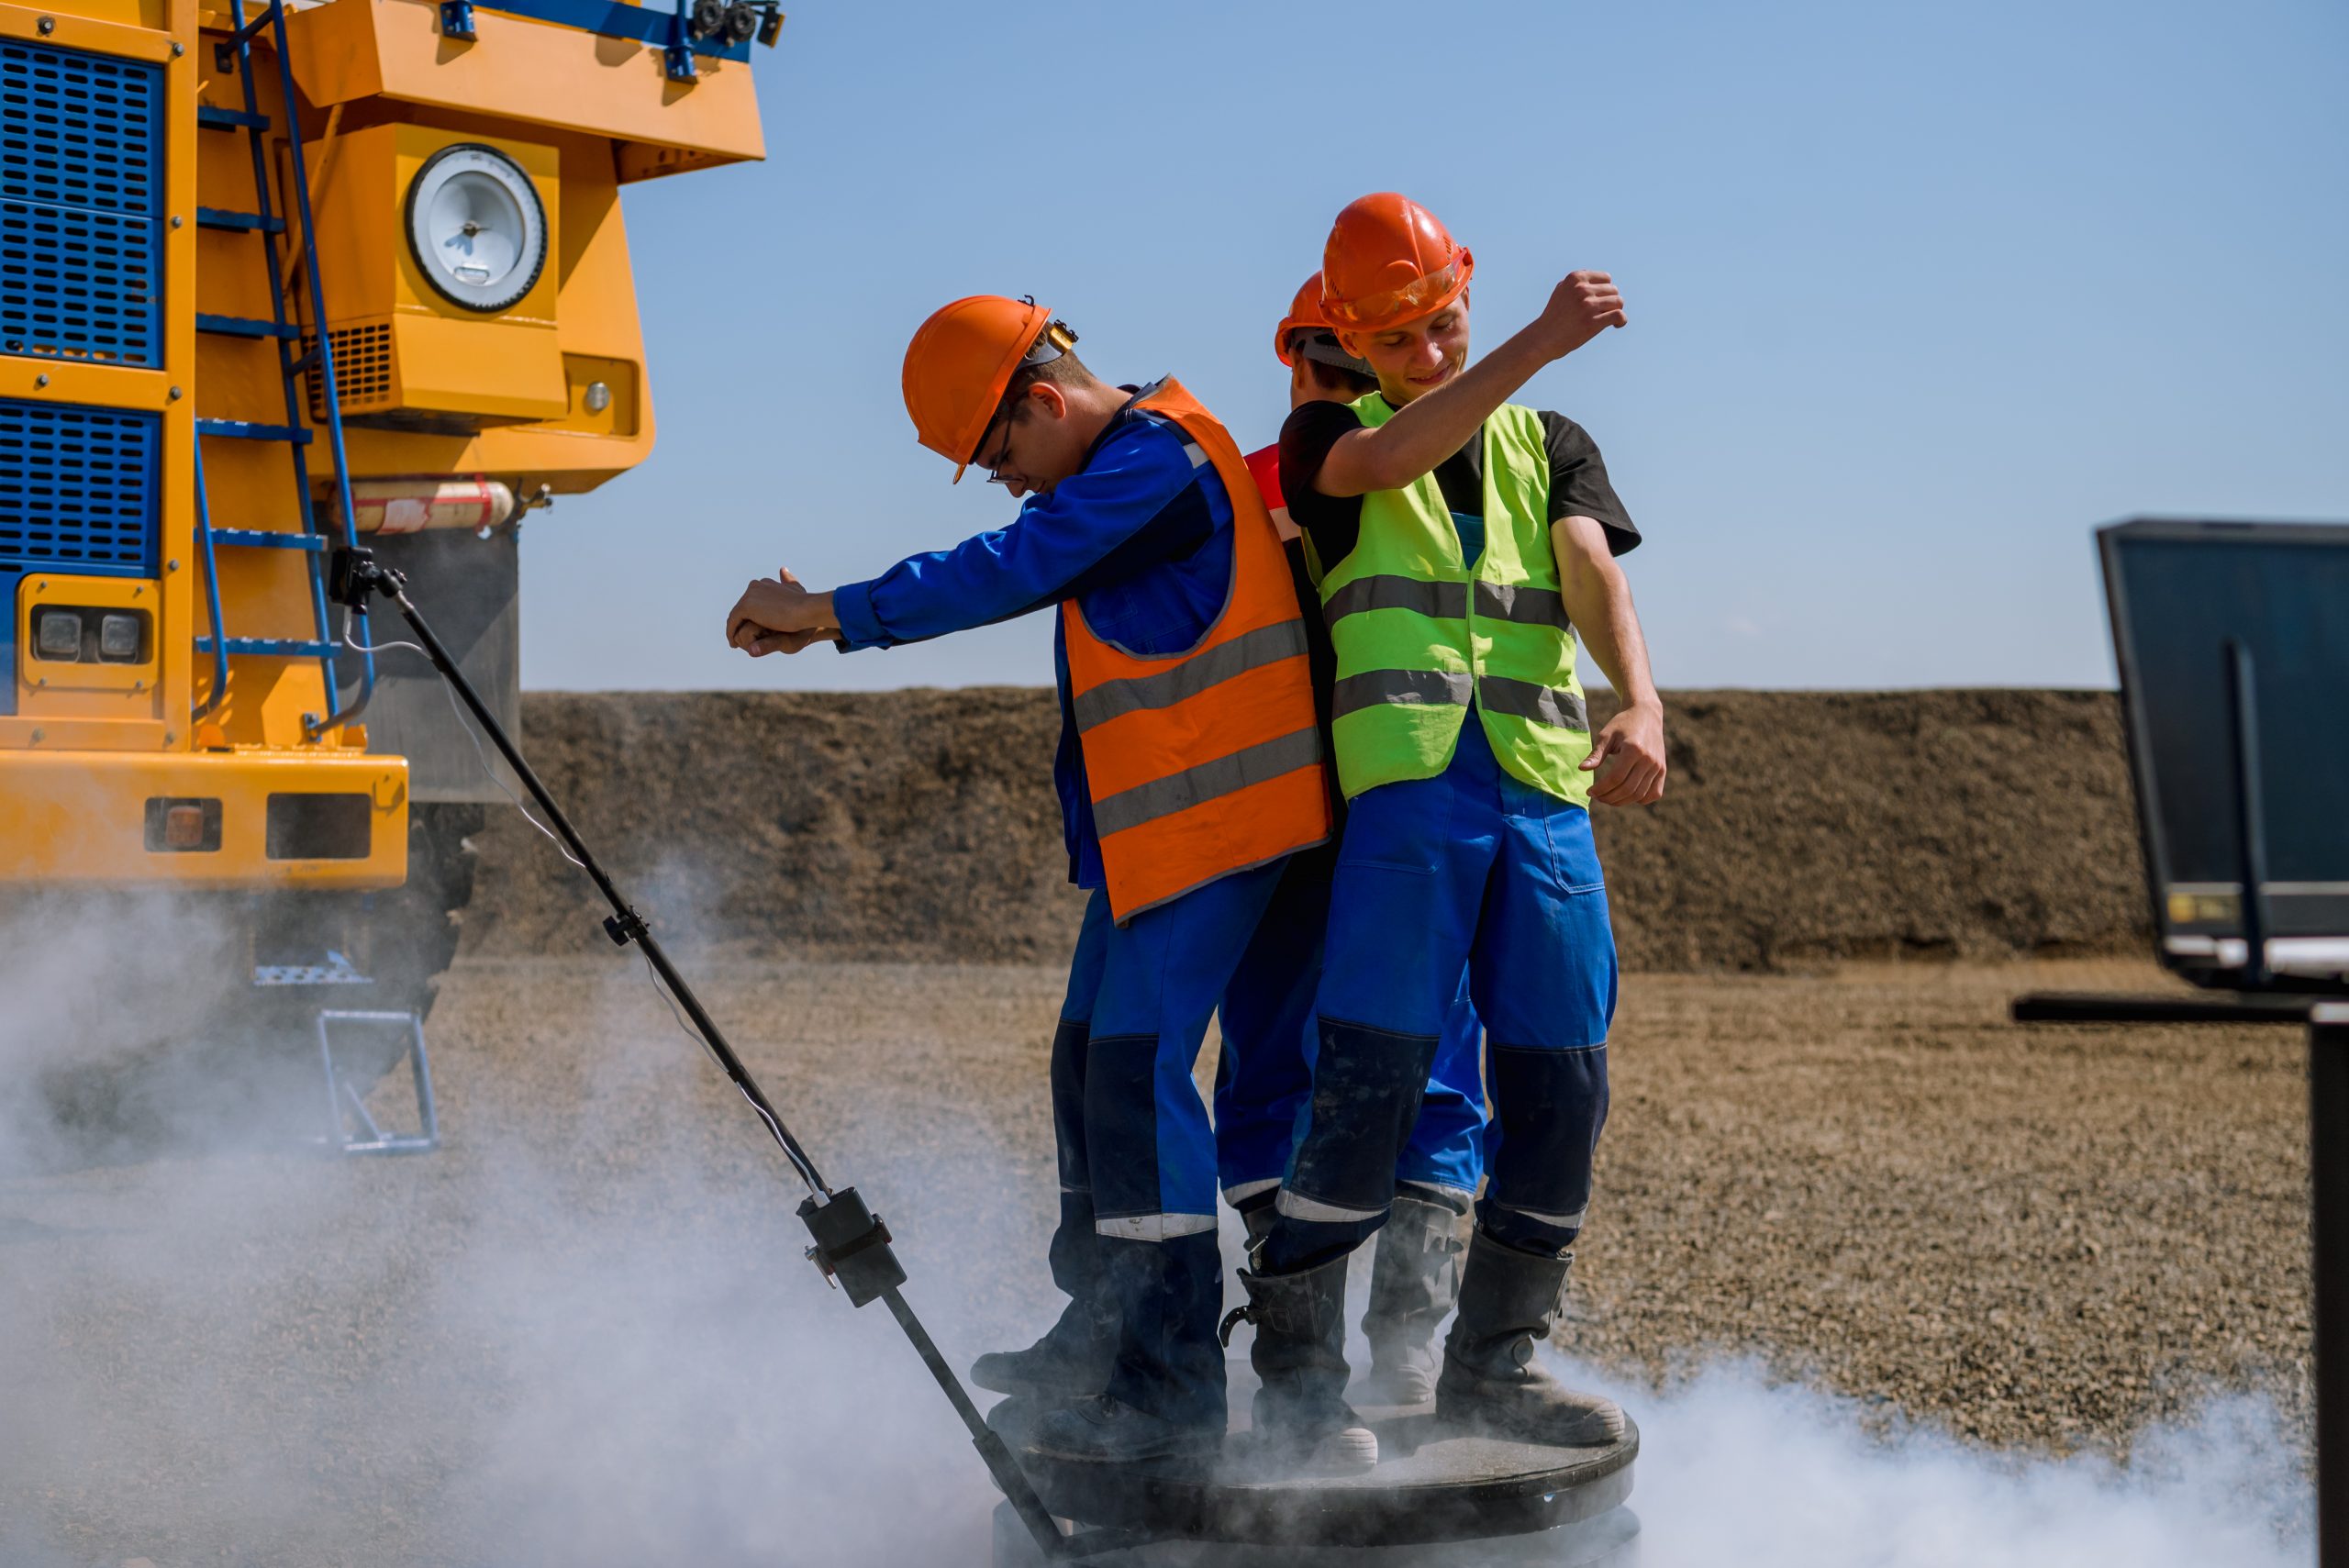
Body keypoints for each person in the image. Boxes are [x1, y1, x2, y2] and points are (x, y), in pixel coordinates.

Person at [725, 296, 1331, 1465]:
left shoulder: (1157, 460)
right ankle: (1103, 1324)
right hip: (1163, 840)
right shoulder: (1127, 462)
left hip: (1225, 823)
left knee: (1132, 1070)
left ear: (1047, 401)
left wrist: (831, 614)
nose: (1005, 483)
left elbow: (1013, 567)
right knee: (1084, 1058)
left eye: (999, 455)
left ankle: (1169, 1391)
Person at [1227, 195, 1667, 1469]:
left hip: (1543, 798)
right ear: (1355, 344)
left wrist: (1639, 699)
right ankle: (1304, 1387)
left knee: (1563, 1084)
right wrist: (1531, 339)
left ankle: (1494, 1369)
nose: (1429, 351)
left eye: (1445, 325)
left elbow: (1593, 570)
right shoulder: (1328, 435)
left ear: (1464, 302)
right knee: (1364, 1088)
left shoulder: (1552, 441)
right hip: (1409, 802)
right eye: (1400, 337)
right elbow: (1389, 461)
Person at [1215, 275, 1492, 1429]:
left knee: (1281, 1072)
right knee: (1426, 1066)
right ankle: (1395, 1363)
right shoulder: (1411, 470)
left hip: (1315, 812)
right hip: (1390, 802)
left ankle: (1311, 1383)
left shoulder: (1253, 479)